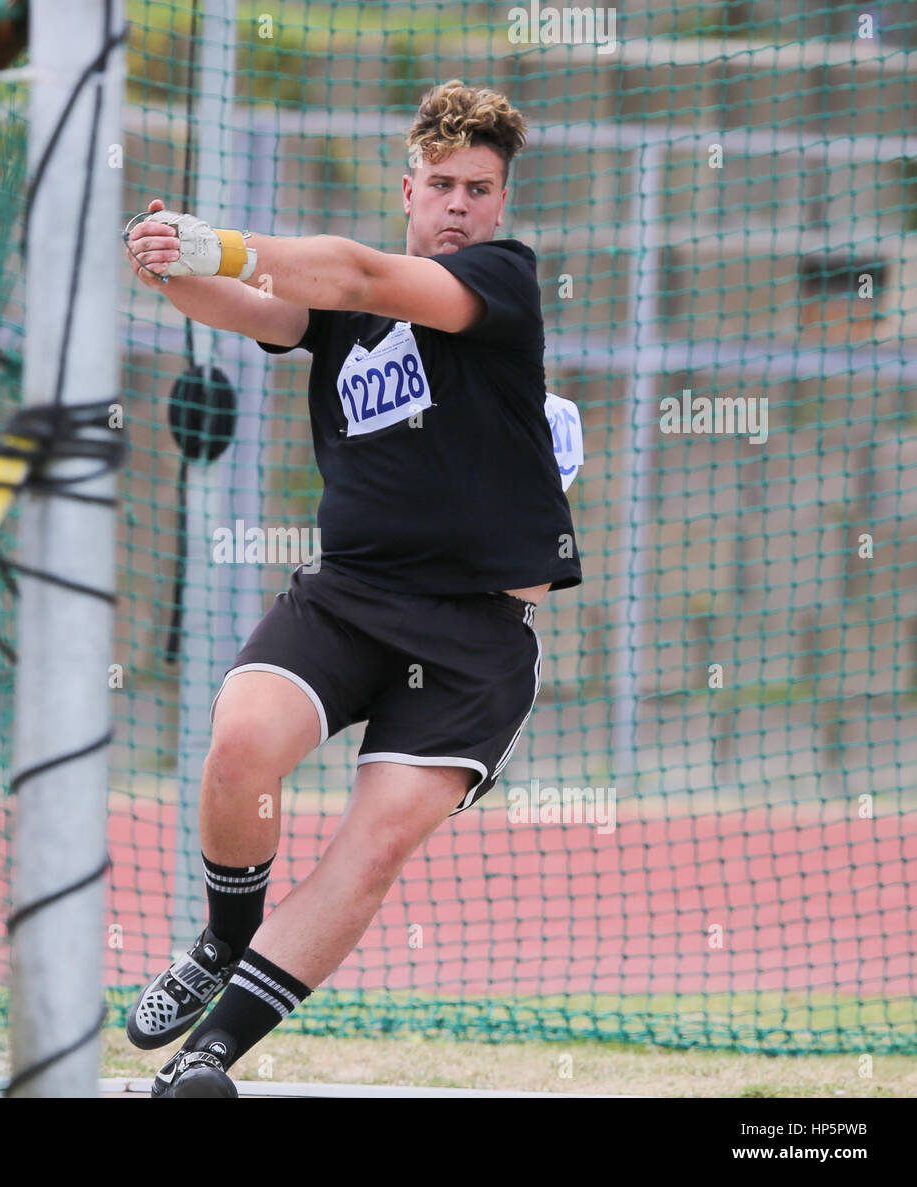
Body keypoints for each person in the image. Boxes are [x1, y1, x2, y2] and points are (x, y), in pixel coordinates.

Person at [121, 80, 582, 1098]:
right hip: (348, 597)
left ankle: (207, 1058)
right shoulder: (340, 305)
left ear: (499, 204)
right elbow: (245, 306)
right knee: (241, 741)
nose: (460, 203)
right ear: (408, 185)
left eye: (481, 187)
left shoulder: (496, 281)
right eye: (443, 184)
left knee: (369, 849)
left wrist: (226, 240)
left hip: (471, 638)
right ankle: (217, 939)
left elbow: (364, 275)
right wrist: (169, 261)